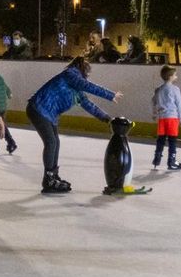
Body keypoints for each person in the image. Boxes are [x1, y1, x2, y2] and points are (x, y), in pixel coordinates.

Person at [24, 56, 122, 194]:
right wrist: (110, 95)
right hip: (38, 108)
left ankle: (53, 175)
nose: (87, 77)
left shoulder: (77, 90)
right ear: (82, 71)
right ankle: (49, 179)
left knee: (55, 142)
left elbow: (89, 105)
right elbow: (88, 86)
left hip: (49, 114)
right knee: (51, 142)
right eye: (87, 74)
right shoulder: (70, 74)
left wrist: (107, 119)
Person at [151, 64, 181, 171]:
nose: (176, 76)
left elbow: (153, 102)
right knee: (172, 140)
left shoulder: (158, 89)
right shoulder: (175, 89)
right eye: (175, 75)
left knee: (161, 139)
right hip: (172, 118)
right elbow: (179, 104)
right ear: (171, 77)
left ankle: (157, 157)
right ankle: (171, 161)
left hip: (162, 118)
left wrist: (154, 114)